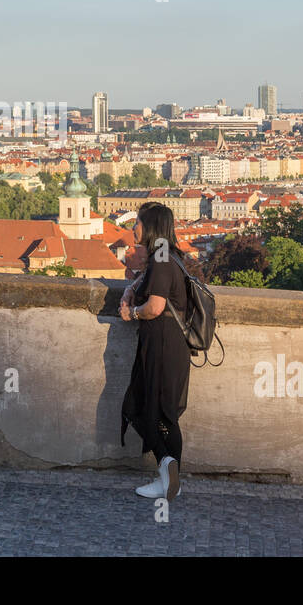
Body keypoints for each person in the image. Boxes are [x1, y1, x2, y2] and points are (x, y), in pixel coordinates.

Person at [120, 201, 194, 501]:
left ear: (150, 227)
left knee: (142, 409)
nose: (133, 227)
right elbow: (152, 284)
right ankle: (168, 480)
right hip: (169, 344)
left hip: (162, 345)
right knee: (162, 413)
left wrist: (132, 313)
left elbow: (156, 306)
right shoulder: (167, 255)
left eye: (137, 222)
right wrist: (132, 287)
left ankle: (166, 466)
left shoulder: (161, 258)